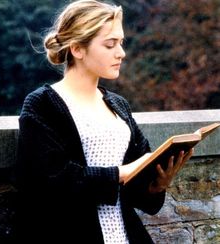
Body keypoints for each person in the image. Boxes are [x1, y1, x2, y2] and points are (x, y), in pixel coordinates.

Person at [14, 0, 193, 243]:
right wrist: (120, 173)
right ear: (77, 48)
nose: (121, 52)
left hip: (124, 235)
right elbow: (48, 182)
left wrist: (156, 184)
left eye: (121, 43)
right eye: (110, 44)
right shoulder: (41, 104)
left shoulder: (119, 105)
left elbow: (138, 183)